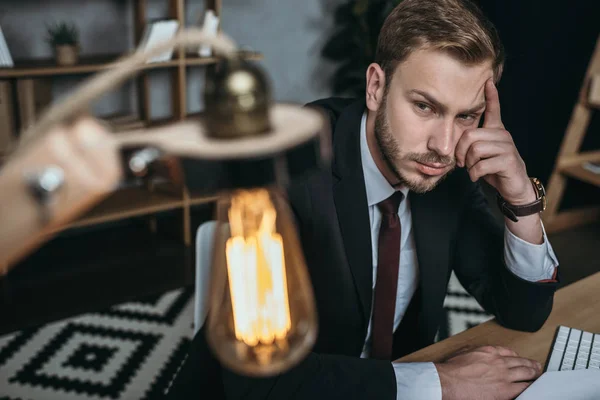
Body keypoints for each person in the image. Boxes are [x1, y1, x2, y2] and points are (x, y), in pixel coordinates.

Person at [166, 0, 560, 399]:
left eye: (466, 116)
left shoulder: (448, 174)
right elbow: (259, 382)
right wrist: (445, 382)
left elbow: (523, 312)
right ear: (376, 87)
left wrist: (521, 198)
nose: (443, 147)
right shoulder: (285, 174)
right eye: (424, 106)